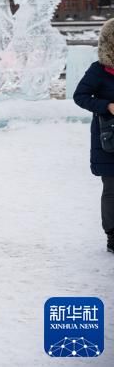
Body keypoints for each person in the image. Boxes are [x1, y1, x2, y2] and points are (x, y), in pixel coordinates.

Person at [72, 17, 114, 255]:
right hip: (109, 140)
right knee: (112, 190)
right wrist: (107, 105)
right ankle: (113, 235)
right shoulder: (98, 70)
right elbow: (80, 96)